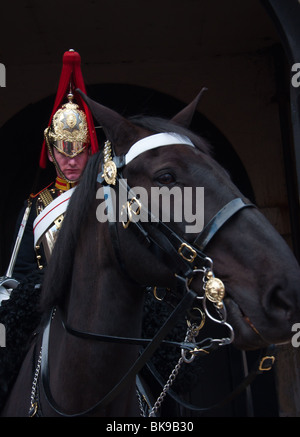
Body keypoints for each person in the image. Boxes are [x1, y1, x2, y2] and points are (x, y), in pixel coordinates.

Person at [0, 49, 98, 409]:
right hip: (49, 308)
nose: (71, 161)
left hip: (104, 302)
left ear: (90, 150)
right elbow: (22, 271)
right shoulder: (34, 207)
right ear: (51, 149)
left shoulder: (109, 202)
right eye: (64, 150)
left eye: (79, 151)